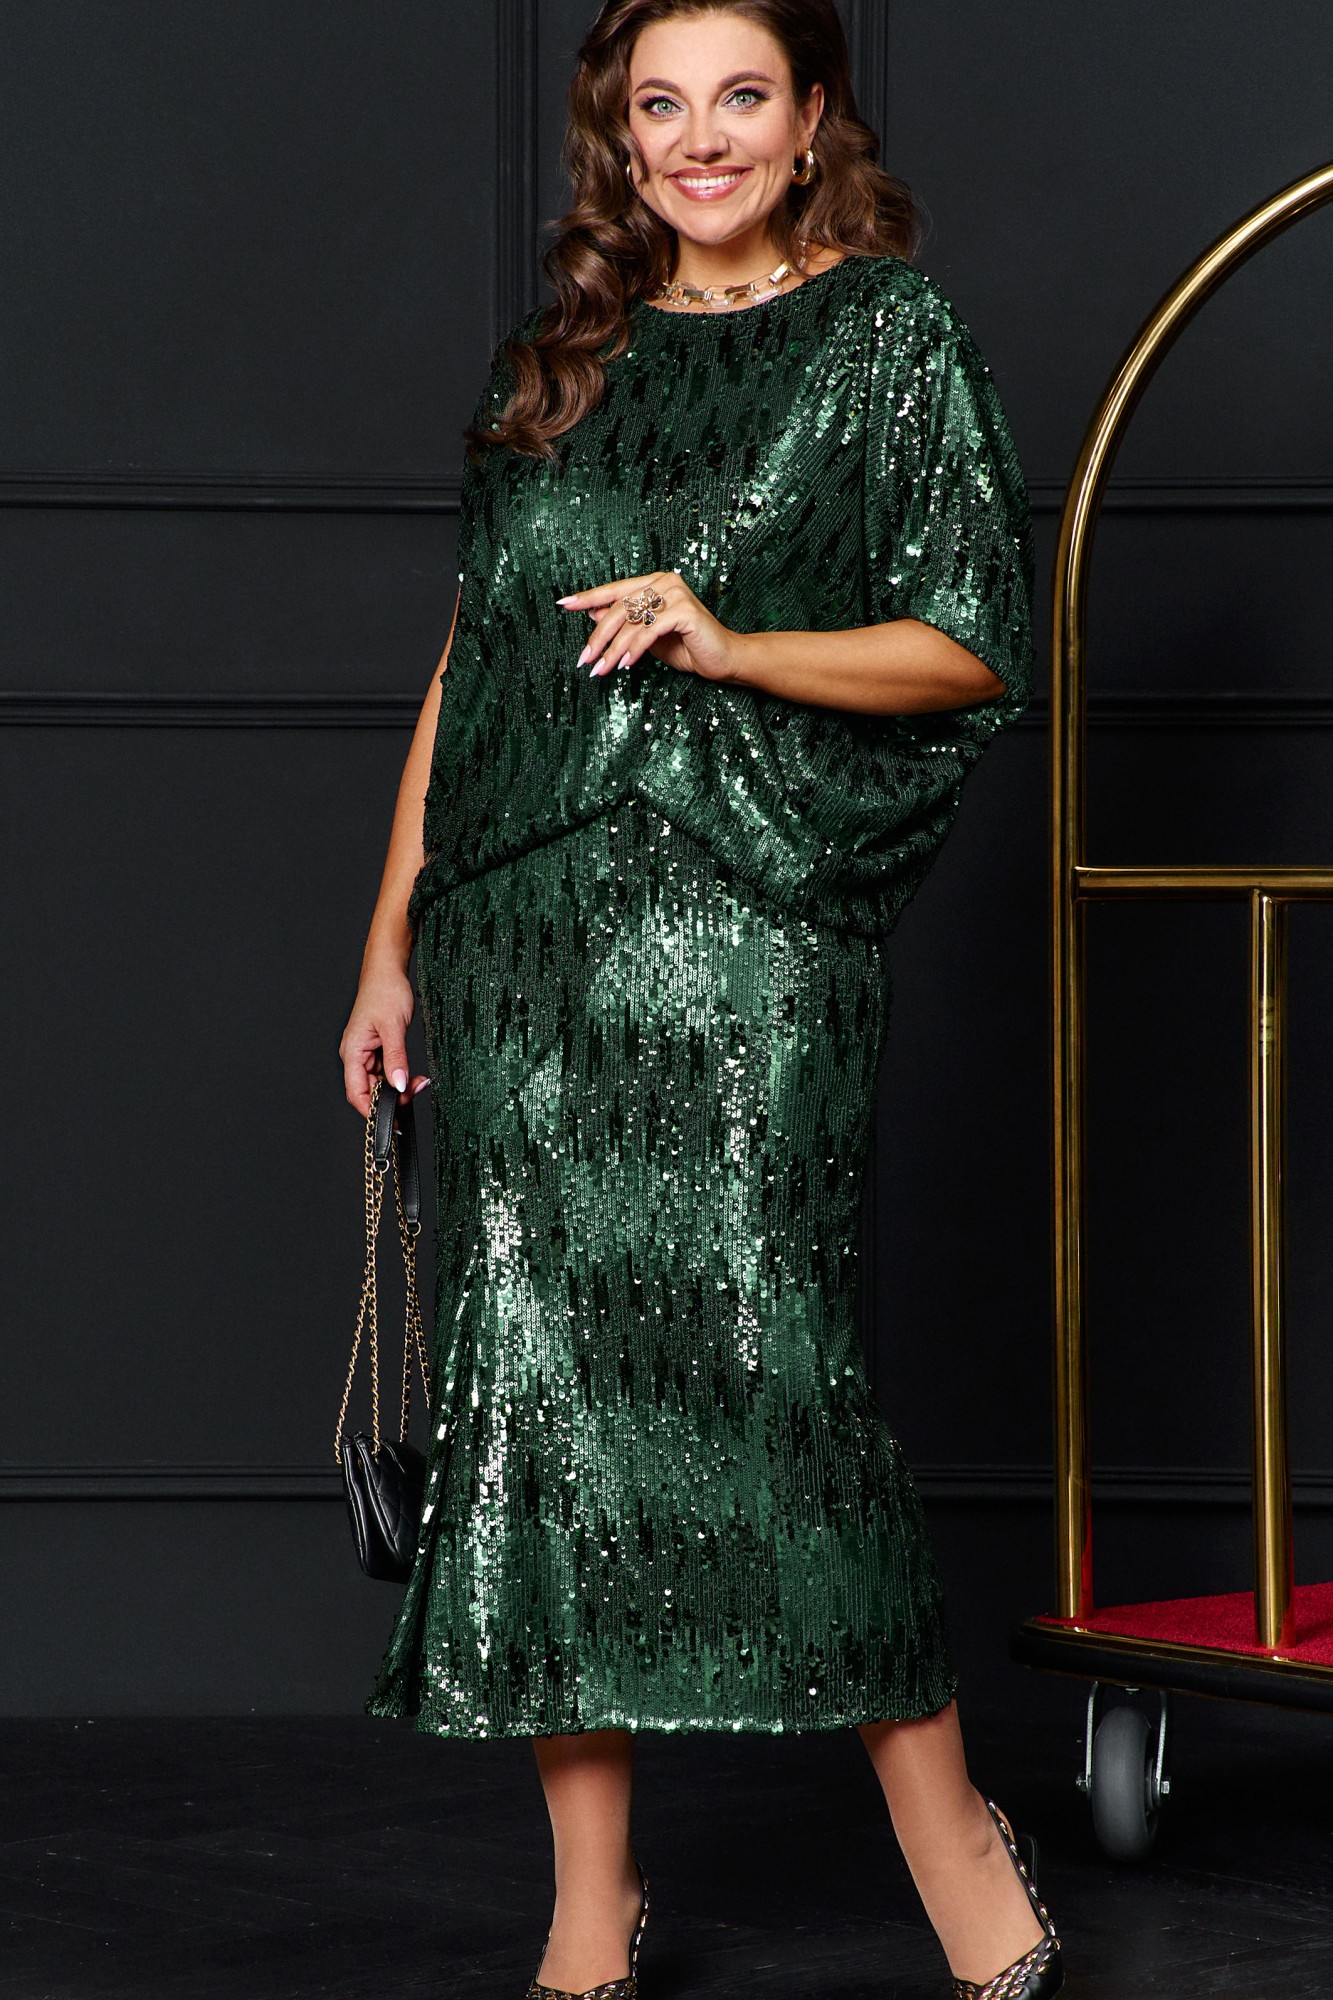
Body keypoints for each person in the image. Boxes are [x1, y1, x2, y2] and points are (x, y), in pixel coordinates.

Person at [339, 3, 1061, 1996]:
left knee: (772, 1367)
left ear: (812, 116)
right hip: (518, 935)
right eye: (659, 105)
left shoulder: (886, 337)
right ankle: (591, 1897)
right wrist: (390, 941)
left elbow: (969, 643)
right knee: (532, 1385)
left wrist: (729, 641)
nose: (700, 138)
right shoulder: (551, 360)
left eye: (740, 96)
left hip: (747, 925)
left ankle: (951, 1840)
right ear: (620, 133)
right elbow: (475, 662)